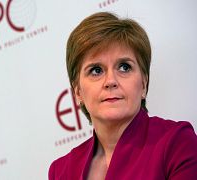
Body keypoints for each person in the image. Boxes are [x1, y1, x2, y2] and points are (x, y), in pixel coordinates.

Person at [48, 12, 197, 180]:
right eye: (96, 70)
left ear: (143, 84)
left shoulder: (177, 142)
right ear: (78, 92)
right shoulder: (60, 172)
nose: (111, 81)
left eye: (124, 67)